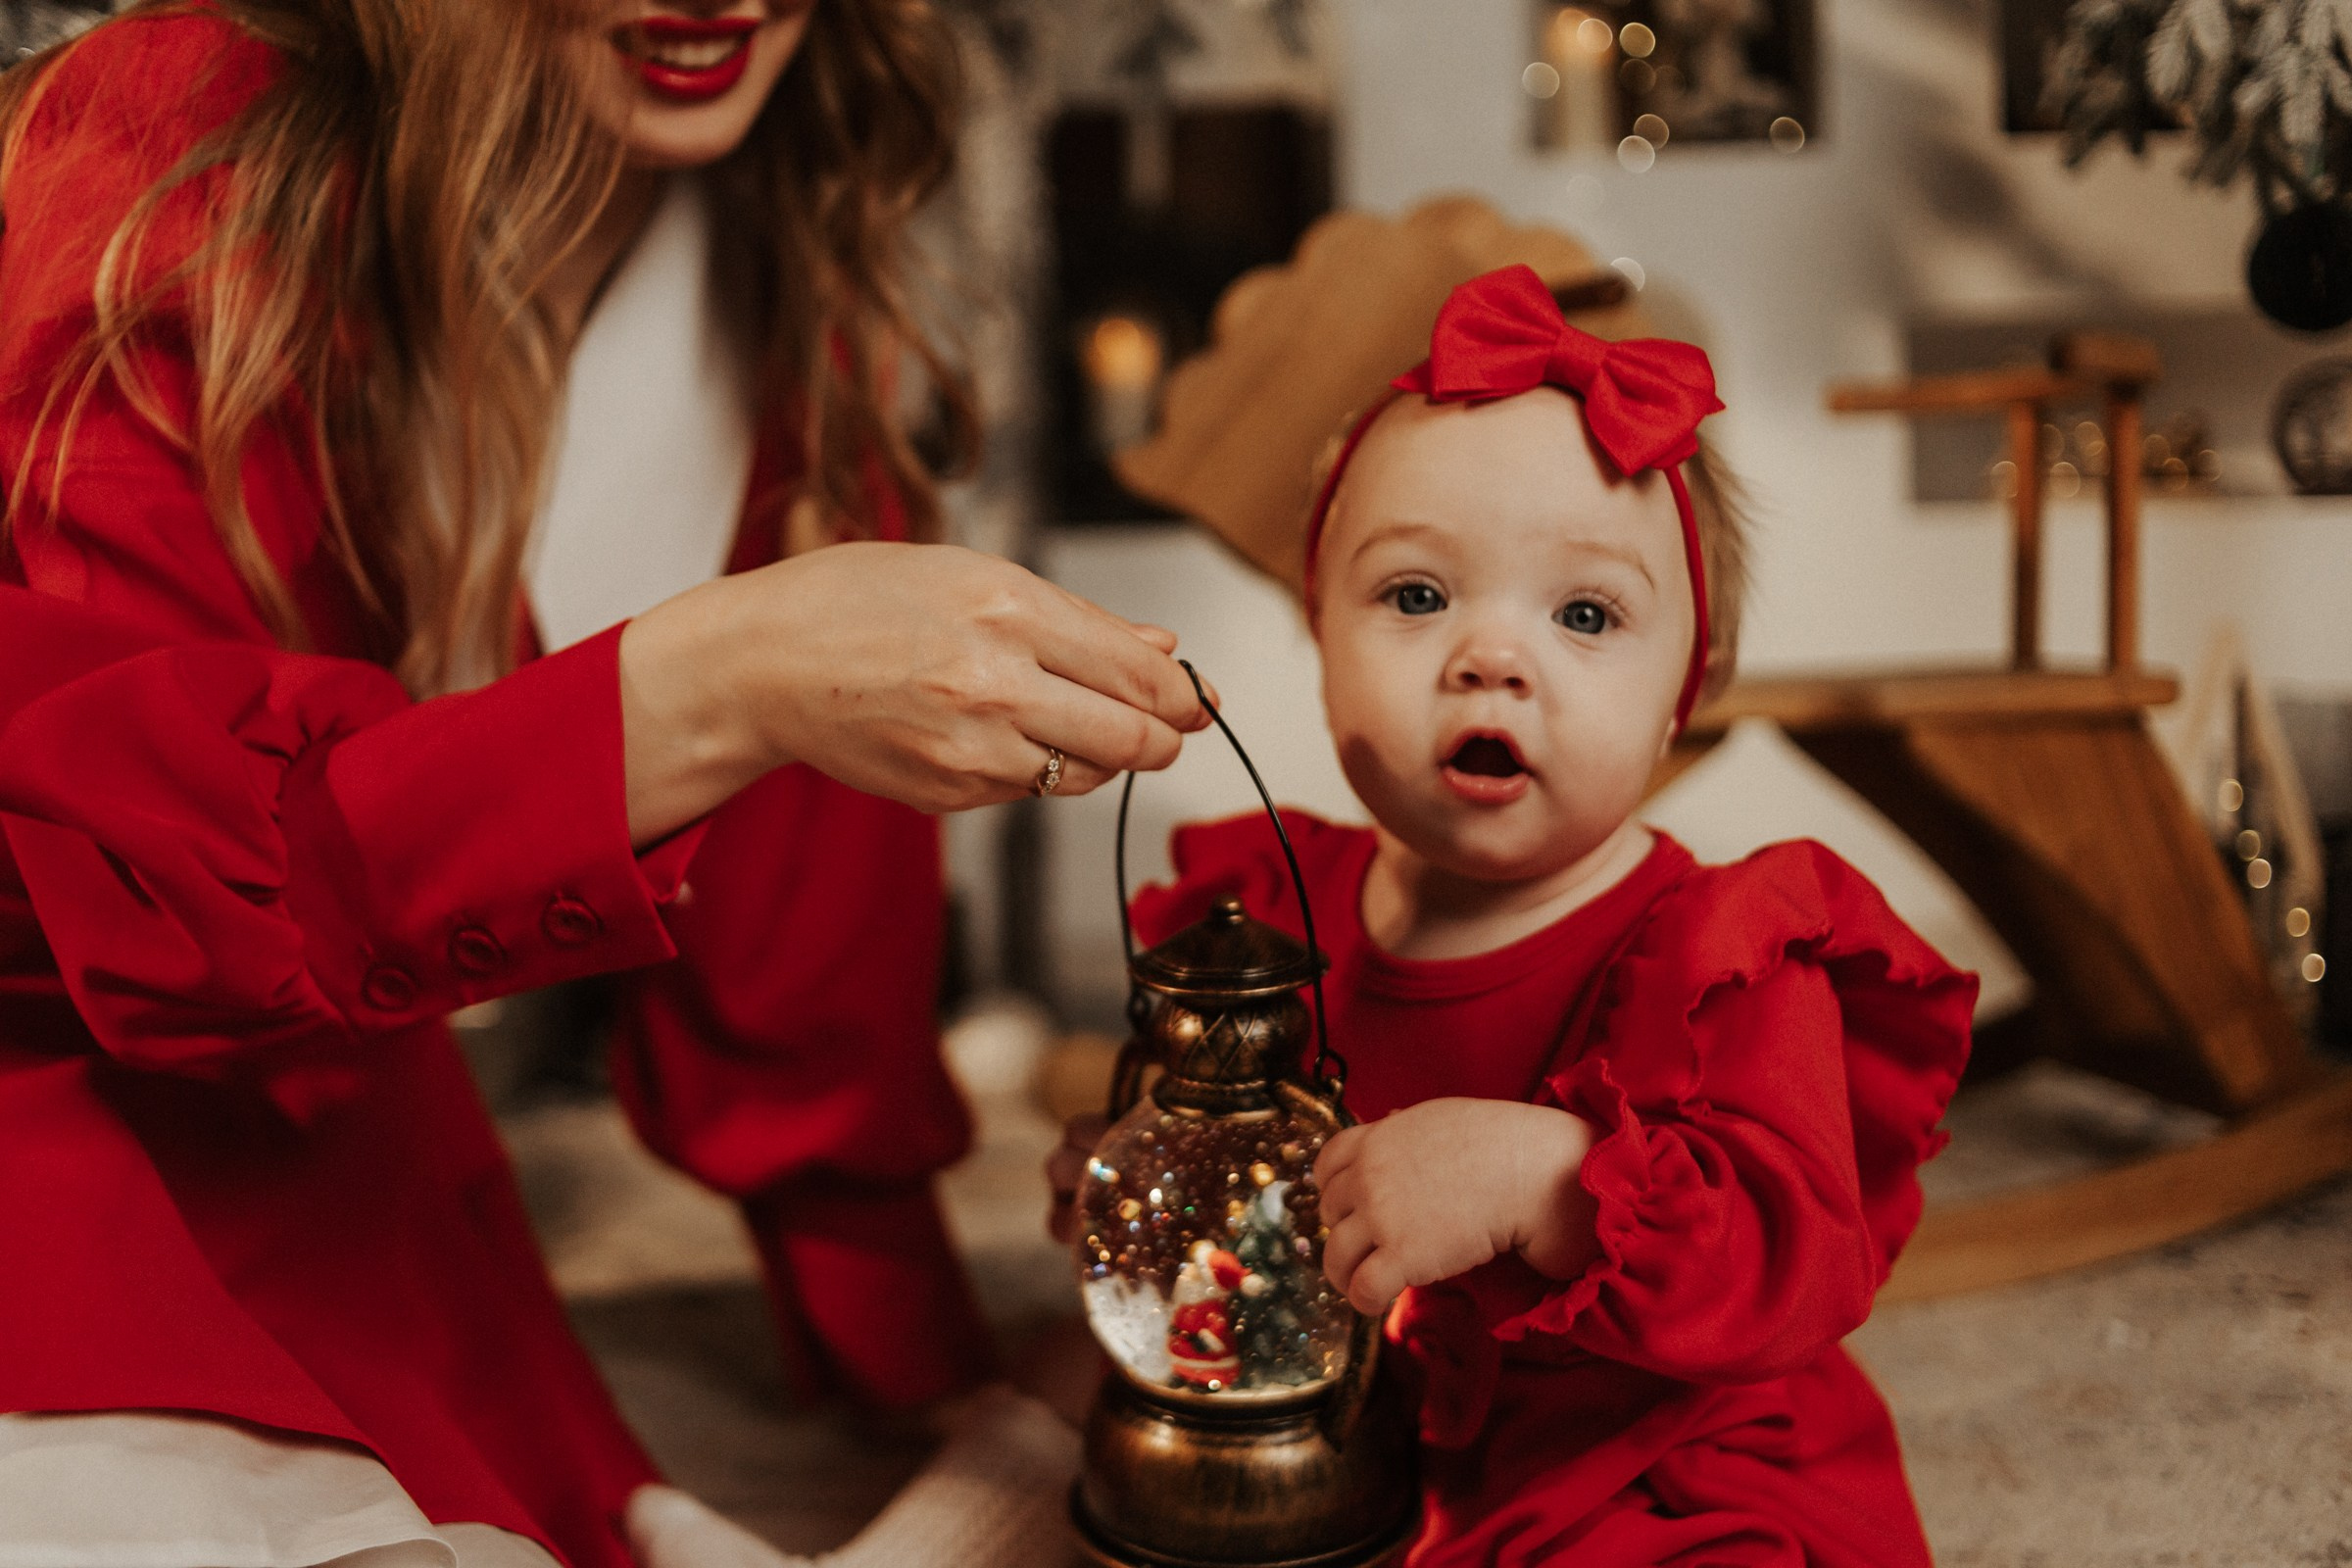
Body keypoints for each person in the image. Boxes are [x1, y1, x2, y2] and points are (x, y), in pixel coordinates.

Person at [0, 2, 1207, 1565]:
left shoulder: (771, 266)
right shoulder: (185, 132)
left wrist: (945, 1379)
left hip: (350, 1159)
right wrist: (717, 678)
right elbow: (157, 887)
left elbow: (807, 960)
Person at [1050, 265, 1976, 1565]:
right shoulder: (1274, 908)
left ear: (1683, 694)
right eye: (1416, 596)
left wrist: (1551, 1184)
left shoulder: (1723, 961)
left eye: (1585, 614)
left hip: (1647, 1453)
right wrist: (1138, 1174)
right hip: (1359, 1436)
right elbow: (1218, 1142)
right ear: (1322, 639)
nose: (1491, 655)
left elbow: (1793, 1259)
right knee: (1113, 1476)